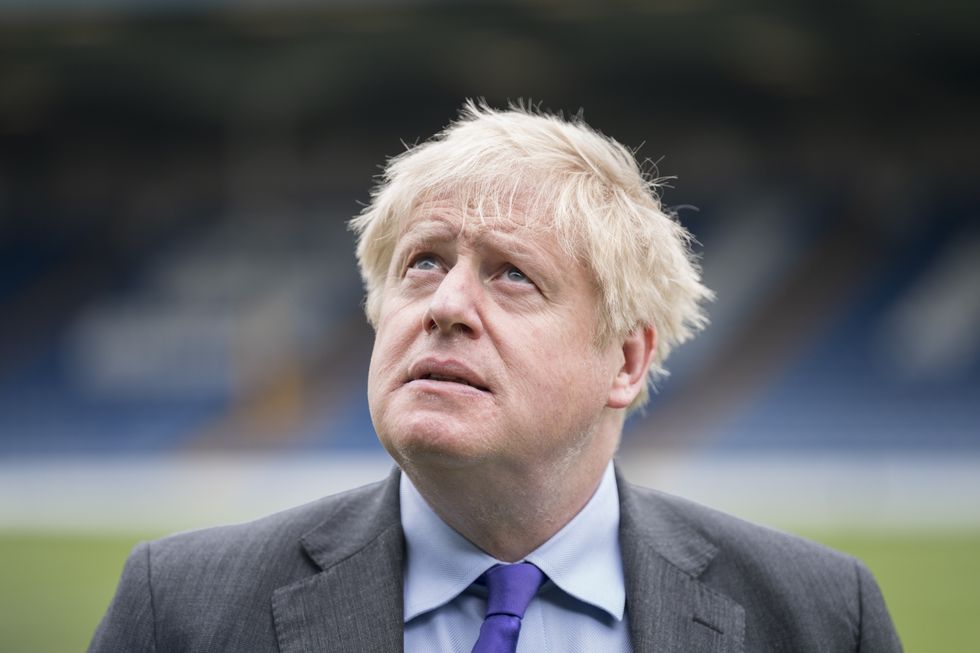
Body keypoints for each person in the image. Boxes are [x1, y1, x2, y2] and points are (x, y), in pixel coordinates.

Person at [89, 101, 902, 652]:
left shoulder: (818, 618)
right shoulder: (181, 611)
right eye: (423, 262)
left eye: (512, 274)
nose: (446, 304)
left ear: (626, 359)